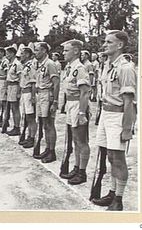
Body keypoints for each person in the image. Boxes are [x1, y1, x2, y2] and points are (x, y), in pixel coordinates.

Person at [91, 31, 136, 211]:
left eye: (109, 42)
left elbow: (129, 103)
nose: (104, 45)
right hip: (106, 114)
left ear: (120, 45)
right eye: (104, 41)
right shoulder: (107, 65)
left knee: (118, 159)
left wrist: (126, 128)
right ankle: (111, 192)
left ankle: (118, 198)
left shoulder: (125, 68)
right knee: (109, 156)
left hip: (118, 116)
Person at [60, 39, 91, 184]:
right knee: (75, 140)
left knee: (81, 140)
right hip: (71, 104)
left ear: (76, 51)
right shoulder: (69, 67)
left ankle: (82, 172)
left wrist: (82, 113)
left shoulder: (79, 68)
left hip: (78, 105)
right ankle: (77, 167)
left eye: (66, 50)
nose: (63, 53)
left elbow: (85, 92)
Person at [33, 42, 60, 163]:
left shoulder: (50, 64)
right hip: (40, 94)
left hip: (47, 94)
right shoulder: (40, 64)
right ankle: (48, 148)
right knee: (44, 124)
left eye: (37, 50)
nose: (35, 52)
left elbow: (56, 83)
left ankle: (52, 151)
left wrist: (55, 101)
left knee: (49, 124)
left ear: (44, 51)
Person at [19, 46, 37, 148]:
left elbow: (33, 82)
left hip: (29, 93)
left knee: (31, 117)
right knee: (27, 117)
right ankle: (29, 136)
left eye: (22, 54)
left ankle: (32, 138)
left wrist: (33, 96)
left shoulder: (31, 66)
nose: (20, 56)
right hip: (24, 93)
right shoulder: (25, 65)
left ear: (27, 55)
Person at [3, 44, 23, 135]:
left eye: (8, 54)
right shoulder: (11, 64)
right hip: (10, 86)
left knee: (15, 108)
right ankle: (14, 126)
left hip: (15, 86)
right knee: (11, 108)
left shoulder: (17, 64)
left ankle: (17, 127)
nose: (6, 56)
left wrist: (18, 92)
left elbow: (20, 79)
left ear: (12, 54)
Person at [0, 47, 10, 128]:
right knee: (2, 102)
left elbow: (7, 73)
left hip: (4, 82)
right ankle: (3, 119)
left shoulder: (5, 61)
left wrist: (6, 86)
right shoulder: (2, 61)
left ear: (2, 53)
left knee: (4, 103)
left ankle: (5, 120)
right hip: (0, 82)